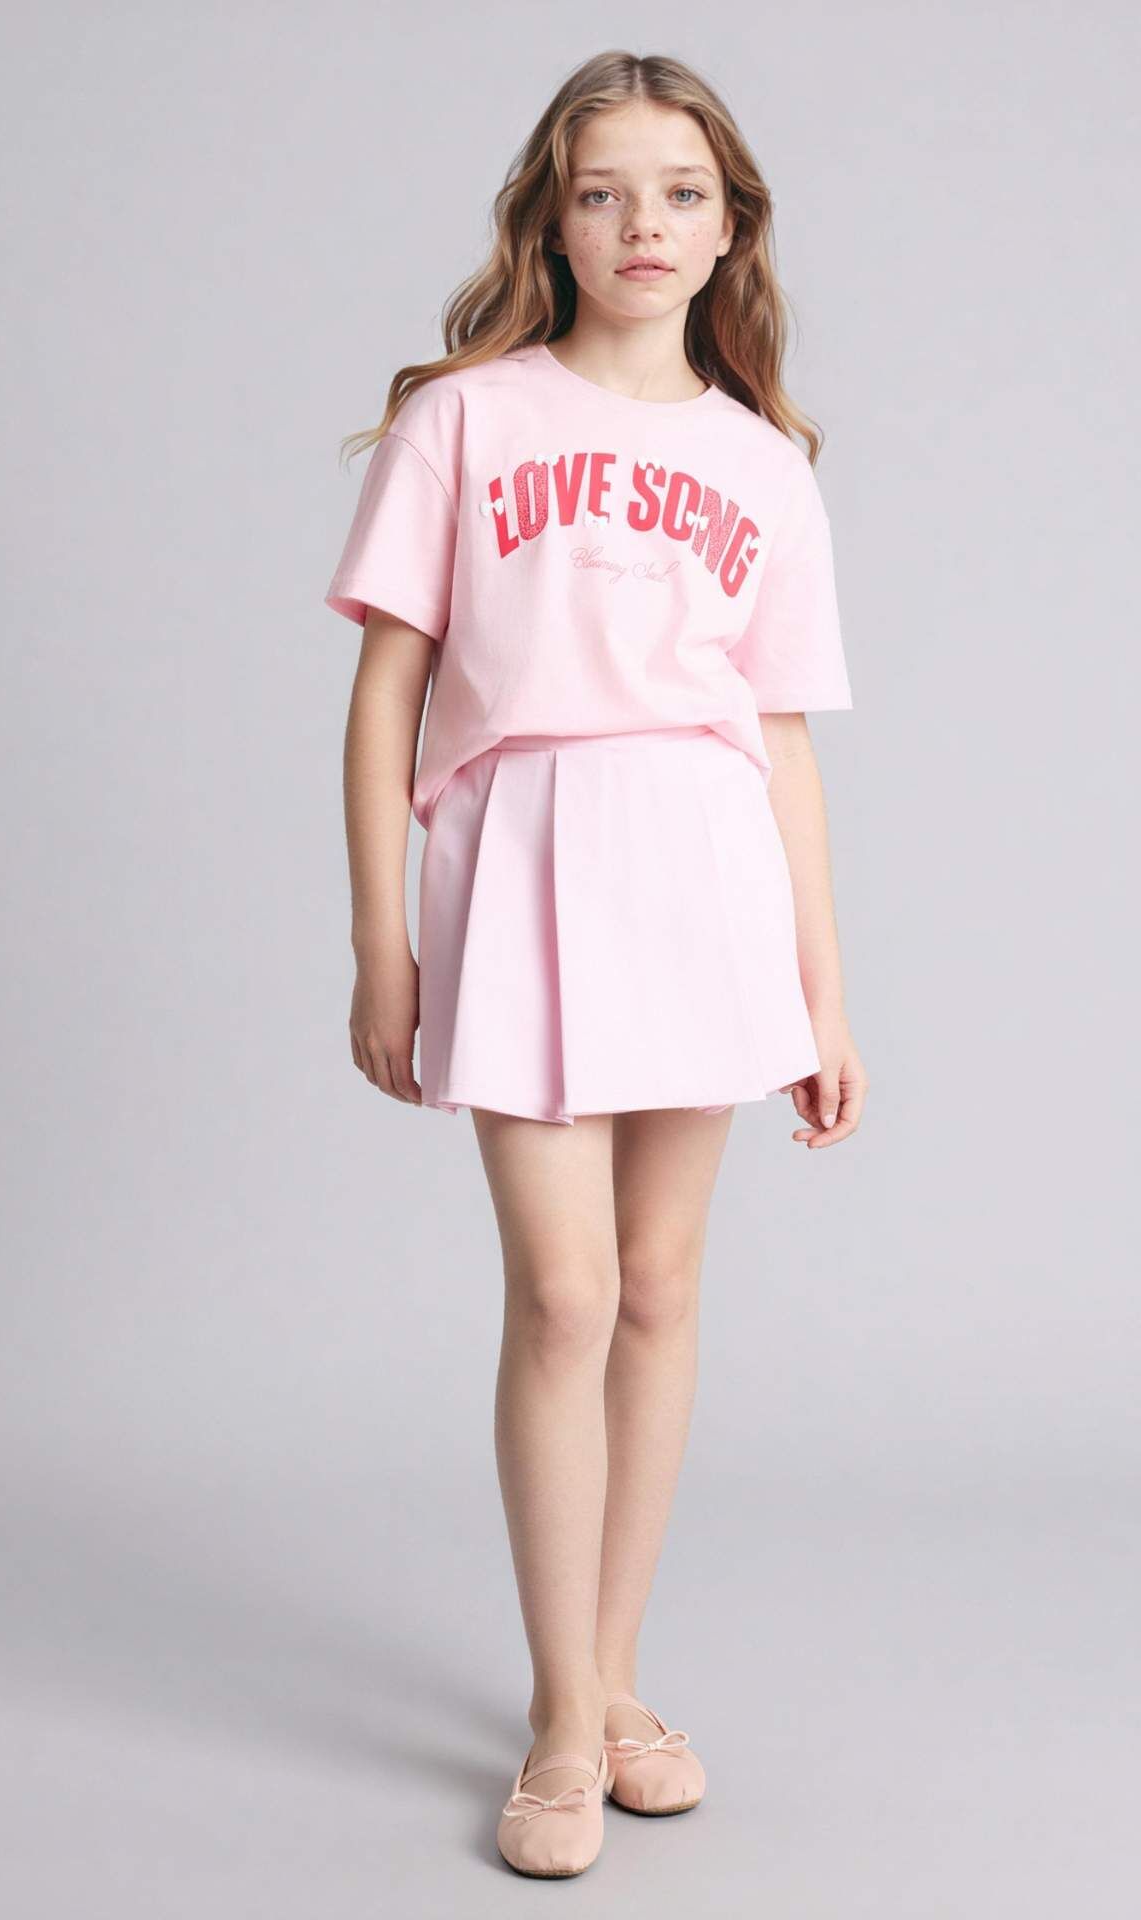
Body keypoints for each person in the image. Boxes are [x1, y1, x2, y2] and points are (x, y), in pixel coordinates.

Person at [323, 48, 869, 1880]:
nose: (646, 224)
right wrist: (384, 938)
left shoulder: (762, 465)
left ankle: (617, 1680)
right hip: (524, 862)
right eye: (605, 191)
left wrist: (825, 992)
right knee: (559, 1296)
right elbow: (387, 694)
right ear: (552, 223)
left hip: (703, 875)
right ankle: (564, 1717)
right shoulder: (466, 420)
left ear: (730, 230)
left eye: (682, 193)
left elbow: (779, 739)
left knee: (655, 1287)